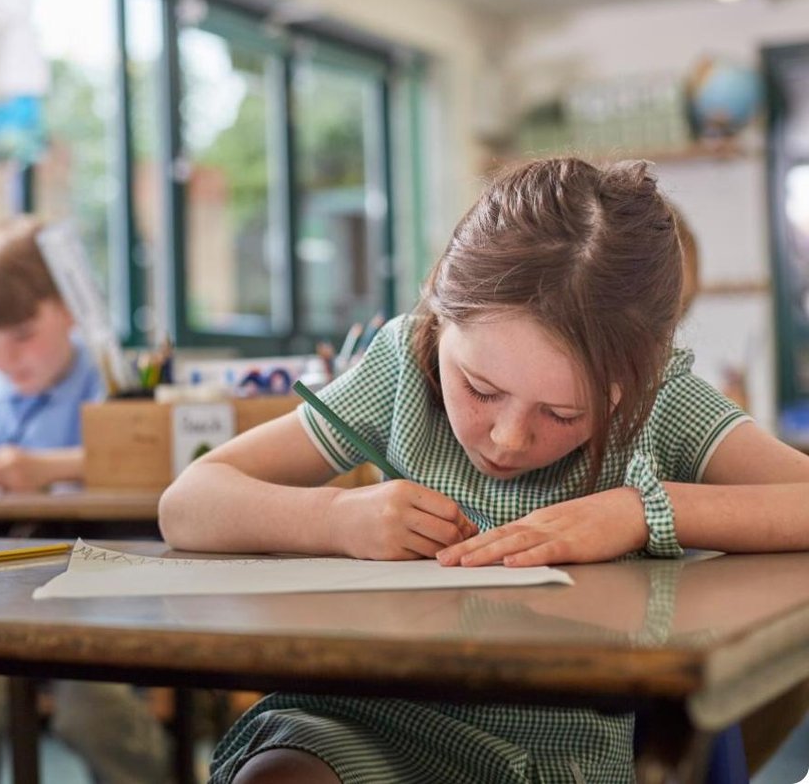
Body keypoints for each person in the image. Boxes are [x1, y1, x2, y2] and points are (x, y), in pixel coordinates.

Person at [159, 157, 809, 784]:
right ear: (440, 316)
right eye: (479, 387)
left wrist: (641, 510)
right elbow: (189, 502)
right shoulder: (401, 369)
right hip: (363, 712)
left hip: (550, 751)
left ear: (634, 382)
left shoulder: (659, 400)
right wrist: (334, 519)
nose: (506, 437)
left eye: (561, 413)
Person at [0, 216, 168, 784]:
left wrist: (49, 468)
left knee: (93, 710)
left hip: (98, 580)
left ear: (68, 309)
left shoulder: (106, 373)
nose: (4, 356)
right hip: (0, 589)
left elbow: (150, 459)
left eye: (22, 335)